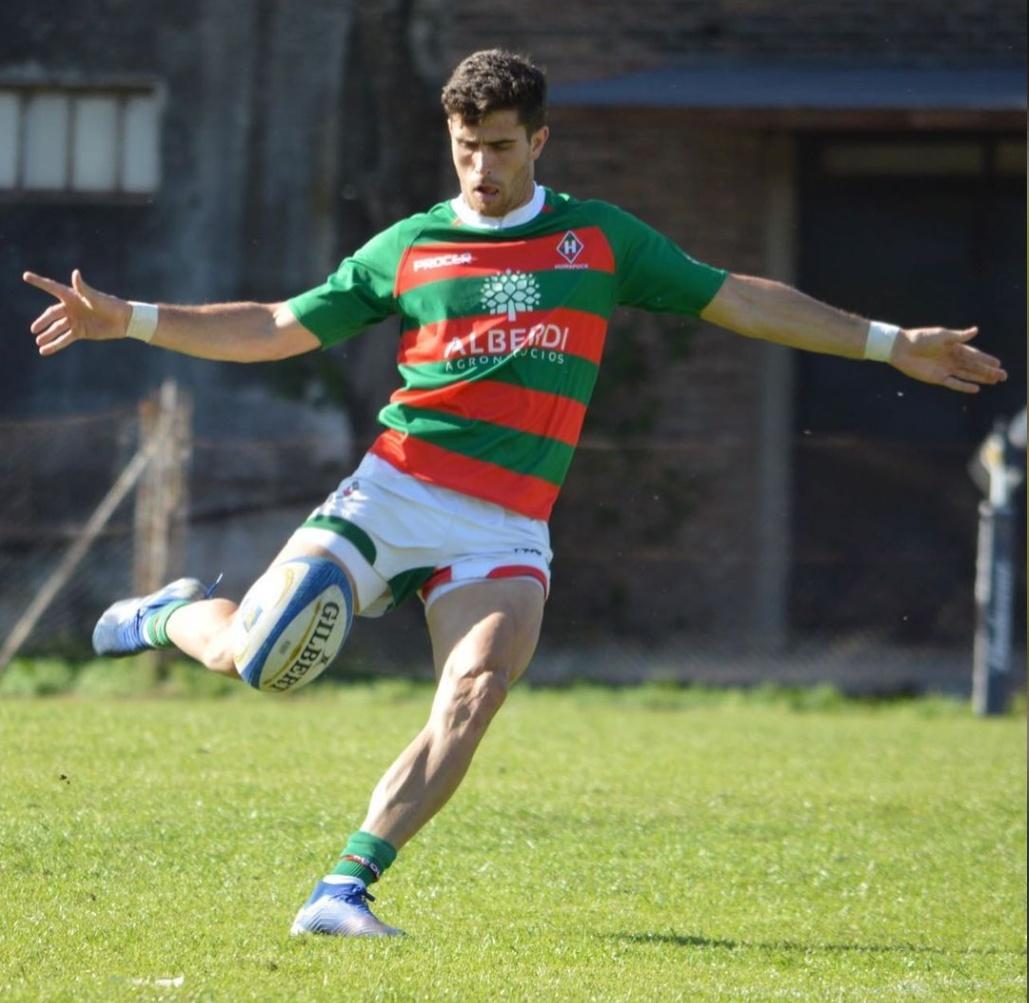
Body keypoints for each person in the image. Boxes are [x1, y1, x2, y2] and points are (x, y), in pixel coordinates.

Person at [22, 49, 1007, 938]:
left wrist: (891, 343)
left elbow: (739, 296)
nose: (481, 170)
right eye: (464, 149)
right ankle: (176, 613)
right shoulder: (409, 247)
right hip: (395, 492)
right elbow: (278, 325)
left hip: (507, 525)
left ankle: (342, 890)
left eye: (499, 147)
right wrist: (132, 319)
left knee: (477, 690)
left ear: (539, 138)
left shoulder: (599, 240)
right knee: (259, 660)